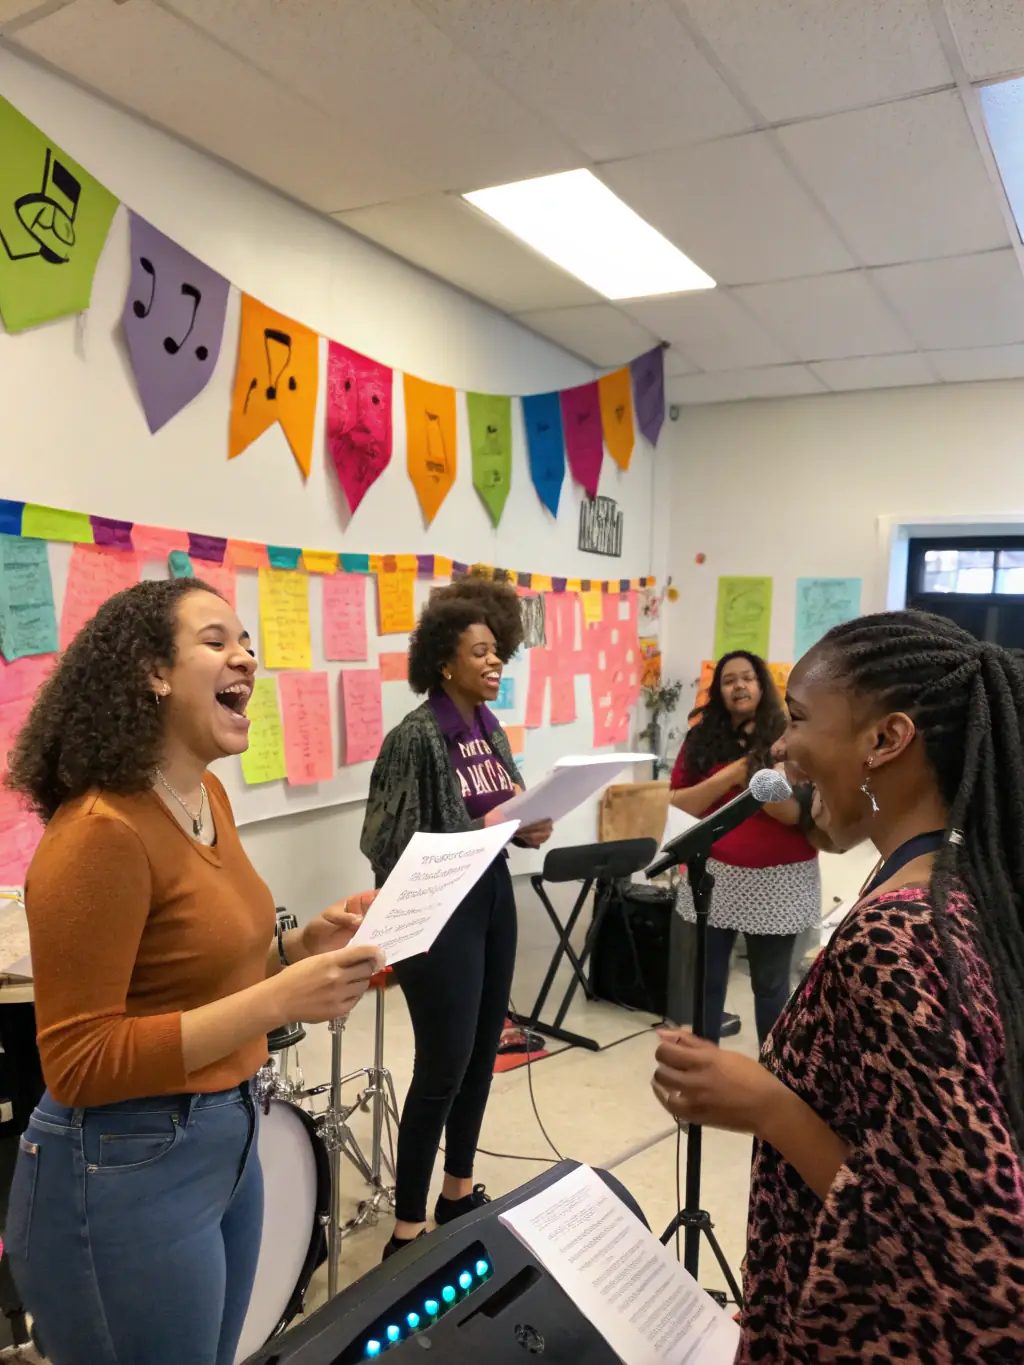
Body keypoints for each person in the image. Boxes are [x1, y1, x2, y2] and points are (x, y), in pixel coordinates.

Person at [2, 579, 383, 1365]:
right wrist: (276, 999)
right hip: (123, 1165)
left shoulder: (205, 795)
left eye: (247, 641)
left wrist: (297, 949)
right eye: (216, 640)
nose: (246, 657)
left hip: (228, 1137)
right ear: (152, 672)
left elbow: (197, 977)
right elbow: (76, 1061)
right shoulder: (100, 832)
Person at [653, 610, 1024, 1363]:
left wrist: (767, 1106)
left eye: (798, 719)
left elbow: (972, 1260)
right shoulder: (953, 883)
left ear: (885, 740)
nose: (781, 747)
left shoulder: (895, 940)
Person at [361, 576, 552, 1259]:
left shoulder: (488, 728)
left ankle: (457, 1192)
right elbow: (384, 842)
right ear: (444, 662)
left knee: (480, 1055)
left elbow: (504, 807)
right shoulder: (414, 737)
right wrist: (480, 828)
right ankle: (407, 1229)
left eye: (498, 650)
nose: (495, 661)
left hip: (492, 896)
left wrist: (527, 825)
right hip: (437, 910)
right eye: (480, 651)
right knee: (442, 1064)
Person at [669, 651, 820, 1046]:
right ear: (718, 692)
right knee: (707, 982)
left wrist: (753, 775)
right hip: (714, 876)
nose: (739, 686)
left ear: (762, 685)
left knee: (770, 986)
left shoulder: (790, 735)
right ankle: (704, 1068)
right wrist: (733, 773)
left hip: (780, 882)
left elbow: (795, 813)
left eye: (748, 678)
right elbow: (680, 804)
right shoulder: (701, 739)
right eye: (728, 680)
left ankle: (772, 1072)